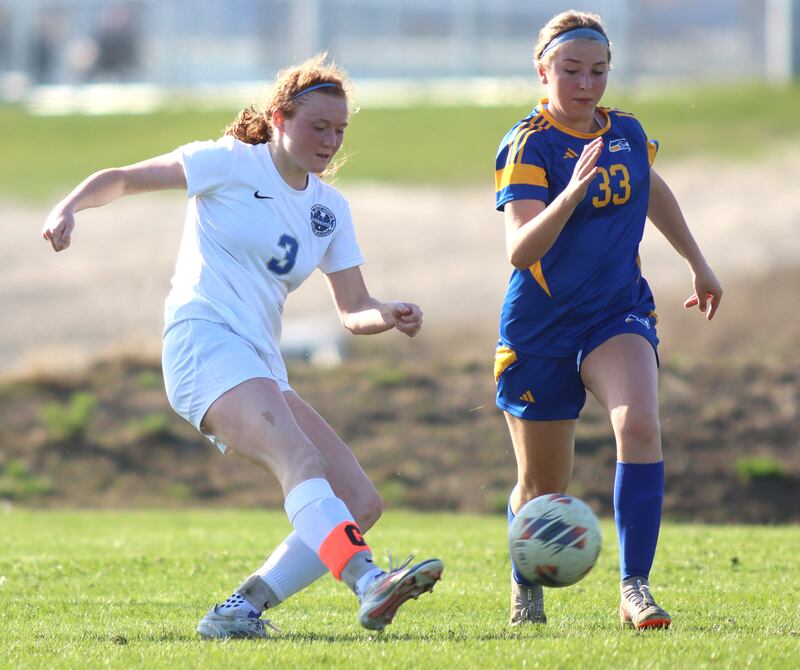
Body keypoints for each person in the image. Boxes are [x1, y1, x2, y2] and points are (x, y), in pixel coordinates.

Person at [42, 54, 443, 639]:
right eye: (318, 127)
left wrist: (384, 313)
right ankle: (367, 580)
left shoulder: (329, 210)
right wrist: (68, 207)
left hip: (260, 364)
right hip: (202, 342)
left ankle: (237, 611)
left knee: (358, 499)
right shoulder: (229, 163)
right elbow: (125, 177)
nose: (330, 141)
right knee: (300, 463)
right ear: (280, 118)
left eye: (340, 131)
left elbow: (352, 307)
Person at [493, 11, 722, 630]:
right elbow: (521, 251)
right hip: (539, 328)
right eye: (571, 71)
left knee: (640, 425)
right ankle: (526, 585)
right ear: (542, 72)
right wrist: (571, 193)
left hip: (615, 313)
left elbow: (651, 188)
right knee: (541, 485)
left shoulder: (624, 132)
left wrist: (698, 263)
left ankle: (635, 588)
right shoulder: (528, 144)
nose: (586, 84)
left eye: (597, 72)